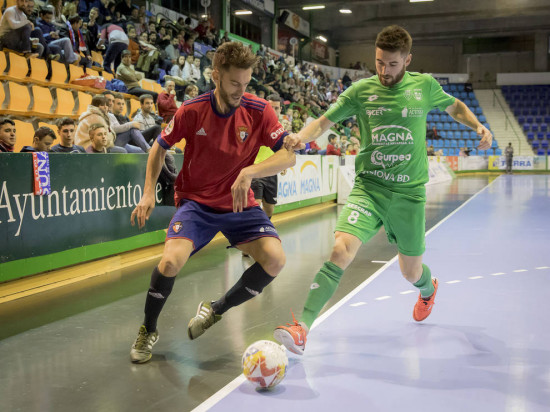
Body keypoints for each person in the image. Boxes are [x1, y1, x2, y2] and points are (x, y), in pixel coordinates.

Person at [274, 25, 493, 355]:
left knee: (411, 272)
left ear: (407, 60)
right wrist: (300, 137)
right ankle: (302, 327)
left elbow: (455, 107)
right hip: (369, 188)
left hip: (409, 195)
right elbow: (323, 122)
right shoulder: (361, 91)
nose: (384, 71)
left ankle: (428, 289)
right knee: (340, 251)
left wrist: (478, 125)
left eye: (392, 64)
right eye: (379, 63)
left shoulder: (424, 86)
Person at [128, 41, 296, 364]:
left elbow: (288, 155)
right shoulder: (192, 110)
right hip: (196, 204)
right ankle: (148, 329)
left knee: (275, 260)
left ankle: (215, 310)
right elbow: (158, 147)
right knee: (169, 263)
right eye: (235, 83)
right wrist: (149, 192)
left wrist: (250, 170)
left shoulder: (259, 111)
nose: (240, 91)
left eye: (246, 84)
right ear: (216, 75)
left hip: (238, 204)